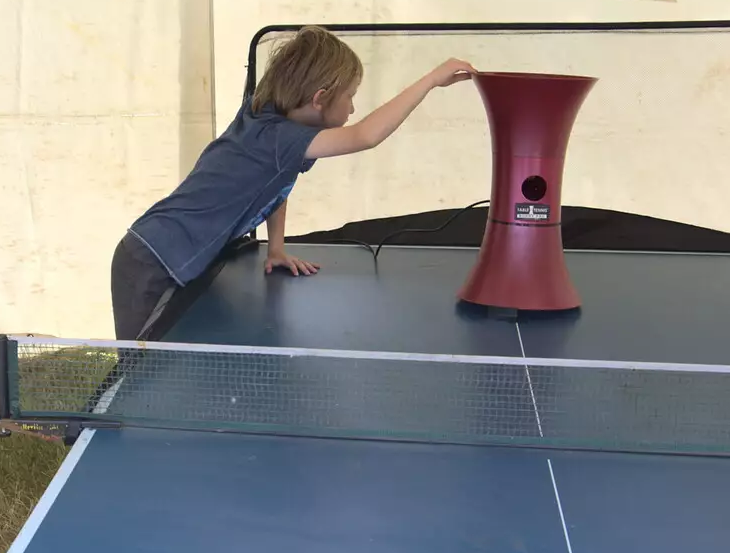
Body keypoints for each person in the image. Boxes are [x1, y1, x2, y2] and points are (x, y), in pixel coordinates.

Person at [111, 25, 475, 339]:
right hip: (151, 263)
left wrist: (276, 248)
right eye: (349, 97)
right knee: (141, 375)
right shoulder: (278, 138)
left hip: (172, 257)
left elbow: (277, 187)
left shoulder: (272, 126)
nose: (352, 109)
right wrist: (430, 81)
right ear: (319, 99)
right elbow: (365, 135)